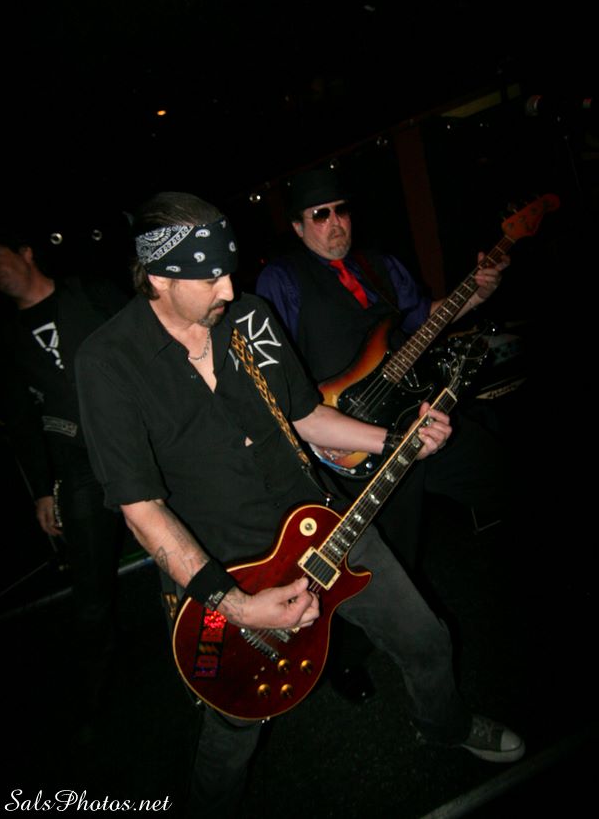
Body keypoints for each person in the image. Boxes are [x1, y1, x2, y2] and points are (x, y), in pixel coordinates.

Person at [75, 191, 524, 818]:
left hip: (320, 522)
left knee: (425, 637)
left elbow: (307, 416)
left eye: (229, 271)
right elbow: (140, 509)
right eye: (209, 278)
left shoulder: (249, 318)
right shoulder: (107, 362)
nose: (229, 289)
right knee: (234, 720)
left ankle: (444, 725)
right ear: (157, 276)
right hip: (223, 565)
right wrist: (235, 603)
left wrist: (398, 441)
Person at [256, 167, 512, 700]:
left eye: (341, 210)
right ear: (298, 227)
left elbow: (422, 319)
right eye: (319, 215)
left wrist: (476, 294)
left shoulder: (380, 265)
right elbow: (276, 372)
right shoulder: (281, 280)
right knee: (383, 563)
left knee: (494, 467)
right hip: (351, 443)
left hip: (415, 416)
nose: (335, 223)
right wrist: (309, 430)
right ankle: (342, 658)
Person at [0, 229, 130, 722]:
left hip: (135, 439)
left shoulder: (89, 292)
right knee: (90, 588)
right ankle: (94, 694)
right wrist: (40, 491)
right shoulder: (8, 340)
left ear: (25, 252)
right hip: (77, 464)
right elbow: (21, 421)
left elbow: (145, 341)